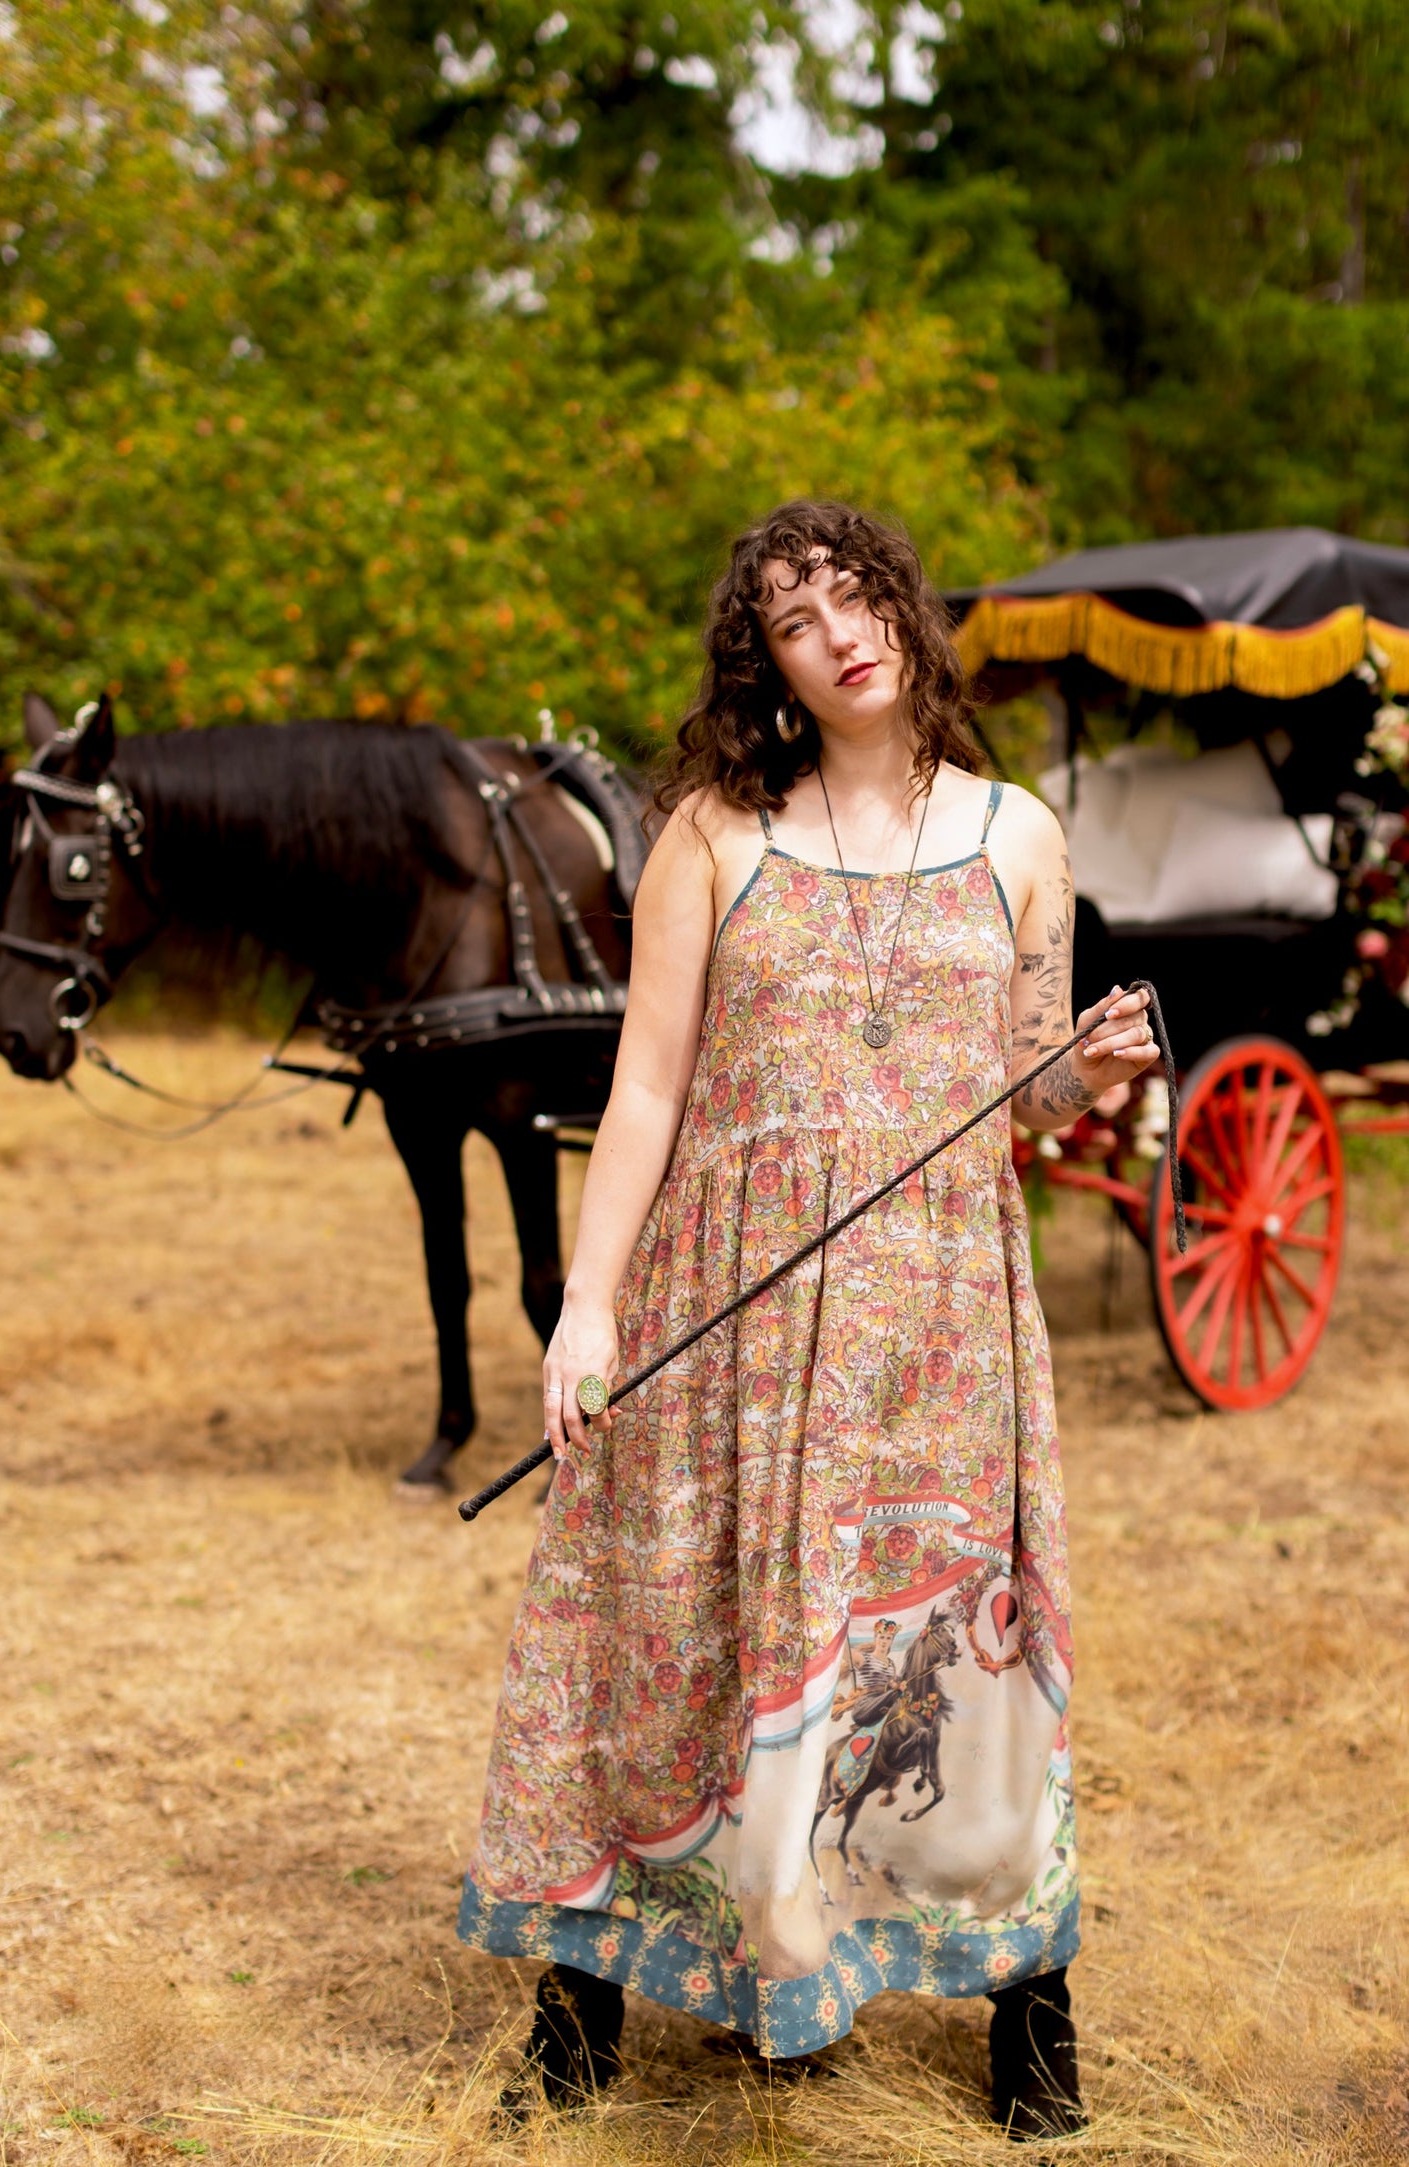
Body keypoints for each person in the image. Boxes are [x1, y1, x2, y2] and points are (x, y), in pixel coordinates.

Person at [456, 500, 1159, 2138]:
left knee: (951, 1658)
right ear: (762, 661)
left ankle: (1023, 2021)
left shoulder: (1019, 837)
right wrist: (588, 1310)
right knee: (672, 1633)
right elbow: (643, 1091)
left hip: (938, 1317)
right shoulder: (711, 831)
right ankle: (582, 2021)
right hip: (732, 1298)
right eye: (793, 617)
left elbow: (1024, 1092)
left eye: (855, 595)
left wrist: (1088, 1070)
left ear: (906, 612)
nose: (837, 631)